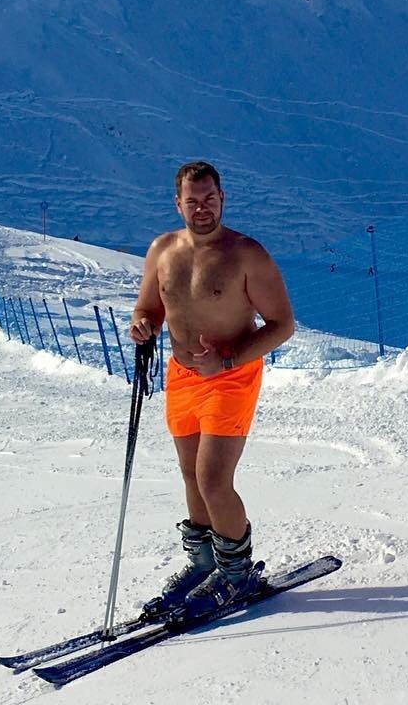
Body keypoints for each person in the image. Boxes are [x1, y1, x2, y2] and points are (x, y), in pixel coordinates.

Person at [130, 161, 294, 618]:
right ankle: (205, 565)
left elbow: (282, 325)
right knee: (189, 474)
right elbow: (149, 306)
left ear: (223, 199)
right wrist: (143, 325)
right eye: (192, 200)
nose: (202, 208)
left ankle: (238, 575)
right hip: (181, 376)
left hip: (231, 376)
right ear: (177, 203)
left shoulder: (246, 254)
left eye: (210, 199)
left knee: (212, 479)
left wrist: (226, 360)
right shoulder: (163, 250)